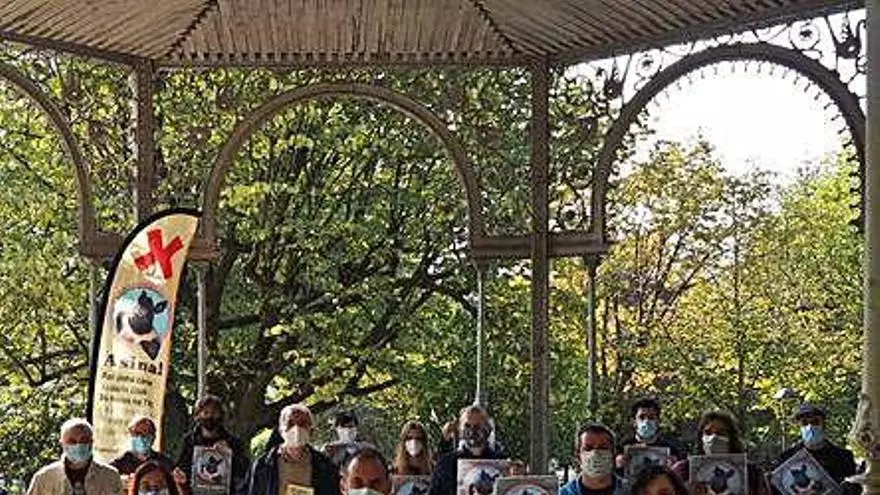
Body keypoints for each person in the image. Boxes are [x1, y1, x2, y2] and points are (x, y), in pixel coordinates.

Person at [247, 403, 341, 495]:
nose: (296, 429)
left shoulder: (325, 466)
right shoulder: (263, 465)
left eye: (302, 423)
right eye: (290, 424)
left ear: (311, 430)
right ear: (281, 430)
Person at [671, 411, 769, 495]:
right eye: (708, 433)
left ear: (732, 439)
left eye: (721, 433)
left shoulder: (752, 473)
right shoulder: (682, 470)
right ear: (701, 438)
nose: (713, 437)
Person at [771, 404, 859, 495]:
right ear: (799, 426)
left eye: (815, 422)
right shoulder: (786, 458)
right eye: (804, 423)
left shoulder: (844, 457)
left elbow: (854, 490)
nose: (810, 427)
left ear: (824, 424)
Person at [175, 395, 249, 494]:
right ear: (198, 415)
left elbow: (245, 471)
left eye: (214, 413)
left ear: (221, 415)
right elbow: (180, 469)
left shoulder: (233, 442)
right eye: (206, 412)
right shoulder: (189, 442)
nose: (210, 416)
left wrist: (230, 453)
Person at [27, 418, 122, 495]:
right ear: (62, 444)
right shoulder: (45, 478)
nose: (78, 445)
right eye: (72, 441)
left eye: (84, 440)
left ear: (92, 442)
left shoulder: (110, 476)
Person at [428, 404, 504, 495]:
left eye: (477, 426)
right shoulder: (446, 463)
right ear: (460, 429)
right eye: (467, 426)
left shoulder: (501, 461)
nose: (472, 431)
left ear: (488, 429)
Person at [559, 423, 627, 495]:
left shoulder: (630, 491)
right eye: (588, 448)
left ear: (613, 453)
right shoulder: (564, 493)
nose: (595, 453)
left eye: (603, 448)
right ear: (578, 455)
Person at [617, 399, 684, 470]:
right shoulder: (621, 448)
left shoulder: (671, 450)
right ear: (634, 422)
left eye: (651, 417)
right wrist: (617, 464)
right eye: (642, 417)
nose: (646, 421)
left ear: (658, 421)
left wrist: (675, 469)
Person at [112, 415, 176, 478]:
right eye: (137, 433)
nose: (141, 437)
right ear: (131, 435)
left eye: (146, 433)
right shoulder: (122, 462)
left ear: (153, 437)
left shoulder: (163, 462)